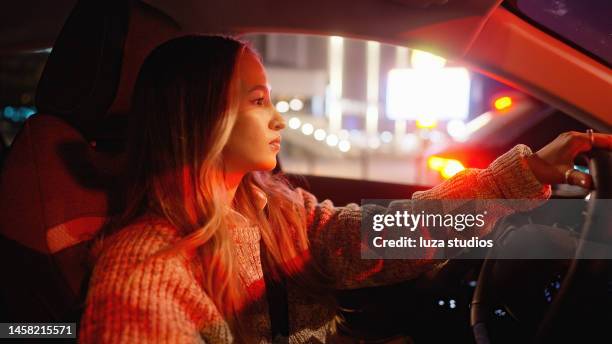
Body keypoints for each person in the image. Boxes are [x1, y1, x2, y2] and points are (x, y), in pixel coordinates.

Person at [78, 35, 612, 343]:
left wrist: (521, 176)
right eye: (259, 99)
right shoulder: (146, 265)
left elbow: (376, 237)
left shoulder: (275, 209)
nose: (279, 119)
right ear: (198, 115)